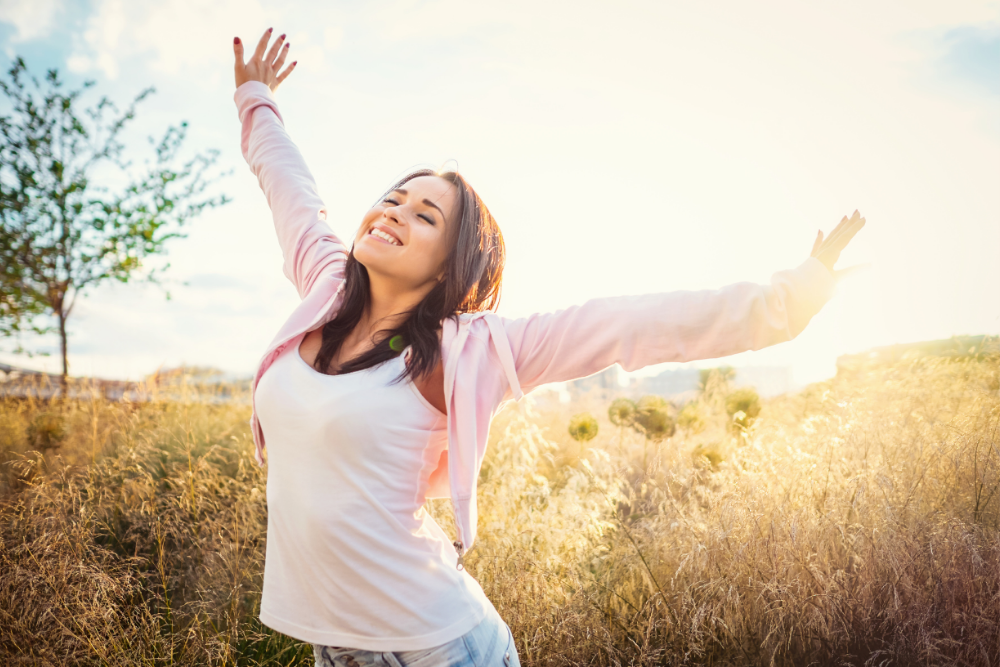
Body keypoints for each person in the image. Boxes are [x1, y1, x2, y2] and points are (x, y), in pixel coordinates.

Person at [231, 27, 864, 667]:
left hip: (437, 648)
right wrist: (256, 97)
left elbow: (627, 323)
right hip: (333, 647)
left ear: (452, 267)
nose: (394, 212)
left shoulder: (464, 353)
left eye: (425, 216)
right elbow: (290, 189)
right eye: (393, 199)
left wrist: (789, 300)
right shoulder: (324, 289)